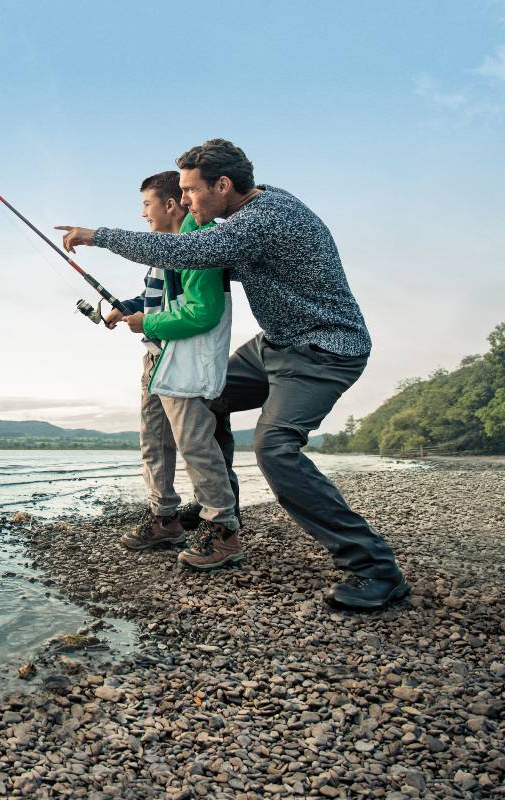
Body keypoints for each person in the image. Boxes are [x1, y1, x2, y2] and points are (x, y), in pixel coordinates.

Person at [56, 139, 409, 611]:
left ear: (223, 185)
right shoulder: (254, 208)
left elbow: (185, 251)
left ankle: (374, 569)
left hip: (324, 348)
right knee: (207, 396)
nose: (184, 202)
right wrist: (141, 304)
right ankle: (220, 521)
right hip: (275, 345)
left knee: (275, 449)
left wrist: (97, 235)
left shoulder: (264, 218)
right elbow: (190, 260)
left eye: (191, 191)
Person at [115, 170, 242, 568]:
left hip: (181, 360)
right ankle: (163, 517)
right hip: (155, 359)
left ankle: (222, 528)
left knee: (194, 445)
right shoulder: (161, 252)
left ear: (170, 204)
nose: (143, 215)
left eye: (146, 205)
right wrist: (130, 308)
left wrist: (148, 323)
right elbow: (158, 299)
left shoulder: (197, 245)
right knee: (155, 443)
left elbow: (201, 312)